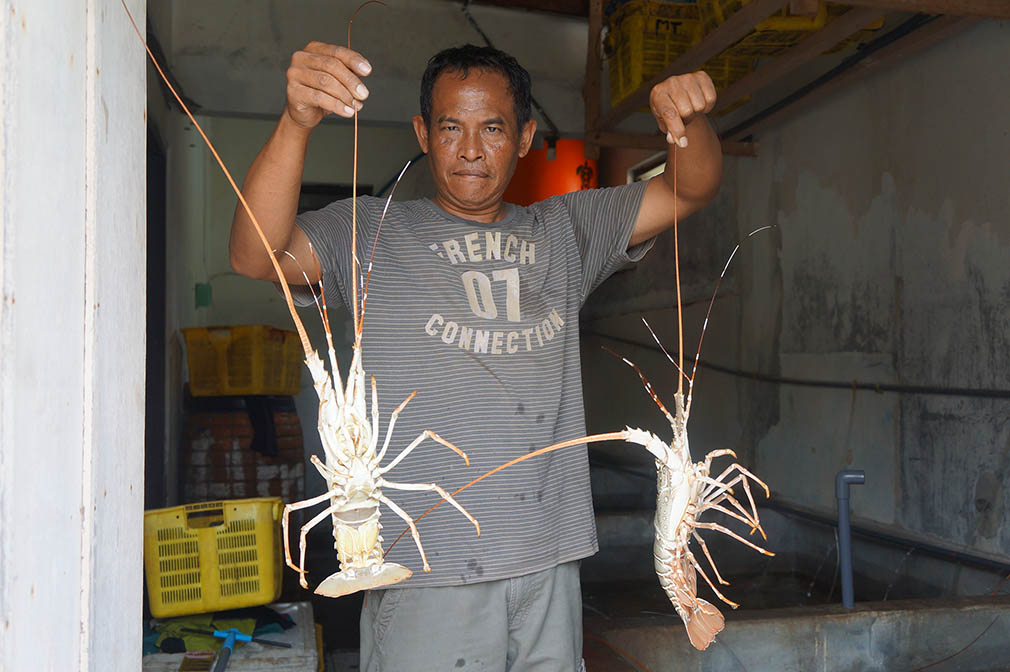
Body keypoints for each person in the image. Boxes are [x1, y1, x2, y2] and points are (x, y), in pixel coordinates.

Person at [230, 41, 722, 672]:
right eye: (449, 127)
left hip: (548, 563)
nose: (468, 150)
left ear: (523, 137)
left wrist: (689, 121)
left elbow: (692, 185)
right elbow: (254, 254)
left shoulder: (567, 230)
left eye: (491, 128)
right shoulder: (370, 232)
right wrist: (297, 121)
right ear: (422, 134)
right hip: (422, 573)